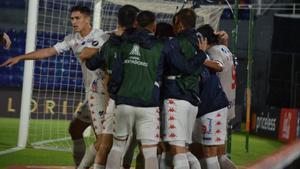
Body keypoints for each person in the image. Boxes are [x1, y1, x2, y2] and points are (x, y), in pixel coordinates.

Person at [0, 5, 109, 169]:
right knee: (75, 129)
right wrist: (20, 57)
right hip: (91, 94)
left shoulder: (104, 37)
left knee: (103, 140)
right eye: (72, 18)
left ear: (88, 19)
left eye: (77, 18)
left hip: (104, 94)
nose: (73, 22)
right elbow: (49, 52)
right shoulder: (71, 39)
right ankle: (82, 164)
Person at [85, 4, 140, 169]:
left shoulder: (109, 43)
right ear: (136, 22)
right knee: (134, 144)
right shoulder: (143, 43)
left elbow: (91, 63)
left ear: (118, 20)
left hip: (114, 100)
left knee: (106, 144)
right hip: (137, 99)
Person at [161, 8, 216, 169]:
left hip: (176, 97)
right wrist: (202, 55)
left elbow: (185, 67)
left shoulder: (175, 42)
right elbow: (204, 74)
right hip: (192, 99)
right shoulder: (201, 41)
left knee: (178, 152)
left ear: (178, 22)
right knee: (183, 150)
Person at [197, 24, 237, 169]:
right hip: (227, 103)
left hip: (215, 104)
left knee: (209, 151)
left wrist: (201, 57)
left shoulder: (212, 52)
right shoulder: (224, 49)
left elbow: (218, 65)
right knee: (218, 153)